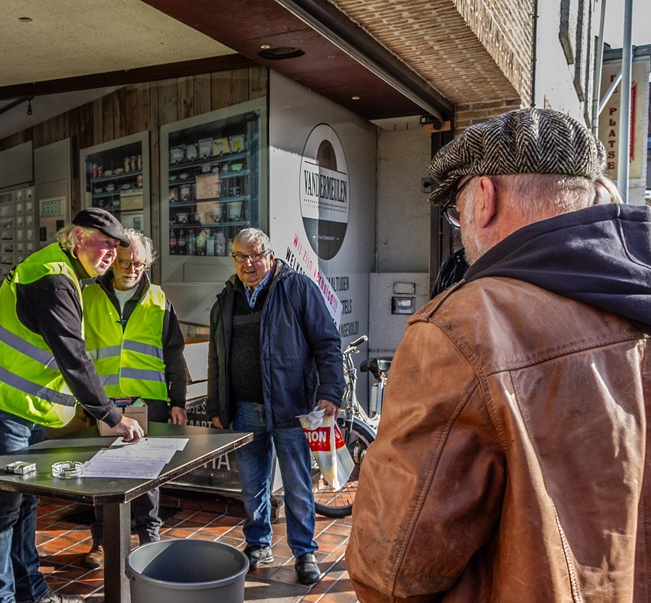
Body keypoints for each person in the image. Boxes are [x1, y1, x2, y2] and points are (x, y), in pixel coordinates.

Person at [347, 108, 651, 601]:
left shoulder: (466, 325)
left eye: (457, 211)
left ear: (485, 197)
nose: (460, 229)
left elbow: (394, 569)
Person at [0, 207, 145, 603]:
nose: (110, 254)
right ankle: (0, 598)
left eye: (115, 247)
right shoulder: (53, 279)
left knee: (25, 501)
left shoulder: (63, 271)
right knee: (4, 509)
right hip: (2, 404)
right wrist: (111, 416)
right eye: (103, 244)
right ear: (77, 238)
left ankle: (32, 592)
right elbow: (73, 358)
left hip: (21, 406)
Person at [207, 228, 344, 585]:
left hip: (291, 406)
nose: (248, 263)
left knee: (297, 485)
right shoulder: (227, 298)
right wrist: (215, 404)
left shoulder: (297, 288)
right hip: (244, 409)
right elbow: (216, 357)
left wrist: (331, 390)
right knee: (252, 485)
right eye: (241, 256)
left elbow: (327, 342)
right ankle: (258, 544)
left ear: (270, 255)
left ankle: (304, 552)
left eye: (255, 255)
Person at [79, 229, 188, 568]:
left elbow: (174, 354)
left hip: (148, 401)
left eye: (139, 264)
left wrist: (178, 401)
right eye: (126, 262)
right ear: (113, 261)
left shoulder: (159, 299)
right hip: (104, 402)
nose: (132, 270)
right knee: (100, 473)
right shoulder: (88, 296)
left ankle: (149, 538)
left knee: (147, 474)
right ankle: (102, 540)